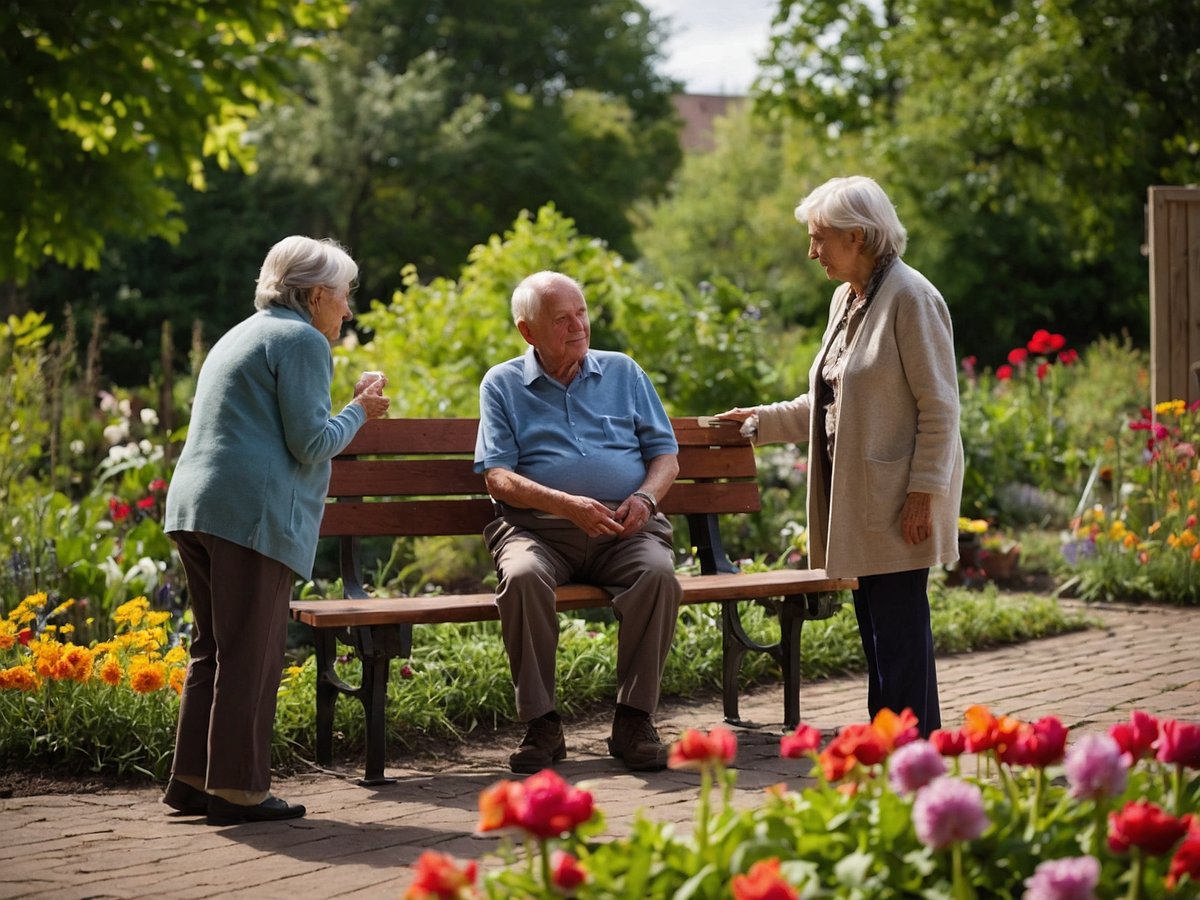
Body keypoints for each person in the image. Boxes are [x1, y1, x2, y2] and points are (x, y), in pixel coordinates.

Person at [716, 176, 963, 737]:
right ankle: (896, 744)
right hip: (864, 500)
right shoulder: (848, 297)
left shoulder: (911, 297)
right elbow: (827, 398)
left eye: (820, 238)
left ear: (858, 236)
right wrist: (759, 421)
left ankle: (909, 749)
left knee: (897, 634)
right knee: (879, 632)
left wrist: (924, 493)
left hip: (901, 499)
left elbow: (941, 408)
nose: (812, 251)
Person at [161, 236, 390, 824]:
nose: (347, 309)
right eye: (343, 296)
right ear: (315, 295)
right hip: (250, 514)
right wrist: (361, 409)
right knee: (253, 654)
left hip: (196, 505)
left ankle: (191, 780)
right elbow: (312, 444)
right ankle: (238, 791)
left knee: (213, 647)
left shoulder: (241, 332)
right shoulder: (302, 340)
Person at [474, 271, 683, 774]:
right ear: (528, 332)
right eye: (561, 319)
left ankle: (634, 720)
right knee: (522, 577)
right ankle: (542, 725)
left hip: (625, 530)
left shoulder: (624, 373)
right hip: (539, 532)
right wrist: (567, 505)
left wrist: (646, 500)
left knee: (657, 575)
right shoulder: (502, 384)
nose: (578, 327)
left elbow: (666, 456)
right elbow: (497, 477)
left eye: (582, 313)